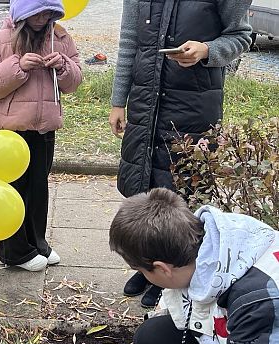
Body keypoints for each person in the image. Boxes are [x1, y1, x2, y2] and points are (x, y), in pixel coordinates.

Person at [108, 0, 253, 308]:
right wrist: (118, 100)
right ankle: (149, 267)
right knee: (144, 189)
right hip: (146, 105)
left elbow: (241, 36)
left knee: (182, 195)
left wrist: (207, 51)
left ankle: (175, 274)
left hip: (193, 108)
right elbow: (129, 42)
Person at [109, 188, 279, 344]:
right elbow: (182, 294)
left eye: (142, 271)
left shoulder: (256, 305)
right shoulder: (206, 242)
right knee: (152, 338)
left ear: (162, 269)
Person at [0, 0, 82, 272]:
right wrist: (18, 65)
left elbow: (75, 81)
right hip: (11, 132)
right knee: (14, 191)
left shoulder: (60, 38)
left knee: (38, 188)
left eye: (49, 12)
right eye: (37, 12)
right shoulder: (1, 40)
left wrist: (63, 68)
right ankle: (15, 252)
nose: (43, 18)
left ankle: (38, 243)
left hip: (45, 128)